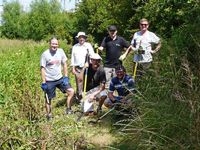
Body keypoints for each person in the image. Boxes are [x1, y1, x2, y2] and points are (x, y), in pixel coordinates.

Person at [40, 37, 75, 120]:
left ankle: (68, 109)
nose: (54, 45)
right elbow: (42, 68)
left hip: (60, 78)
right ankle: (49, 115)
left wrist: (66, 76)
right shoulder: (45, 54)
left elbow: (65, 64)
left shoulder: (61, 51)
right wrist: (44, 82)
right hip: (49, 80)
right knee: (48, 99)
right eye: (53, 44)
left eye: (56, 44)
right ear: (50, 44)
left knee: (71, 91)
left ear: (58, 44)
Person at [71, 32, 95, 100]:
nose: (81, 38)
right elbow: (73, 58)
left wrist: (90, 63)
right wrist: (73, 68)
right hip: (78, 68)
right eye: (80, 37)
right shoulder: (75, 47)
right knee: (79, 83)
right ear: (78, 38)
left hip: (87, 68)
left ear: (85, 38)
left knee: (88, 82)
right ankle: (79, 98)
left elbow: (92, 55)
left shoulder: (88, 45)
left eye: (83, 37)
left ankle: (88, 98)